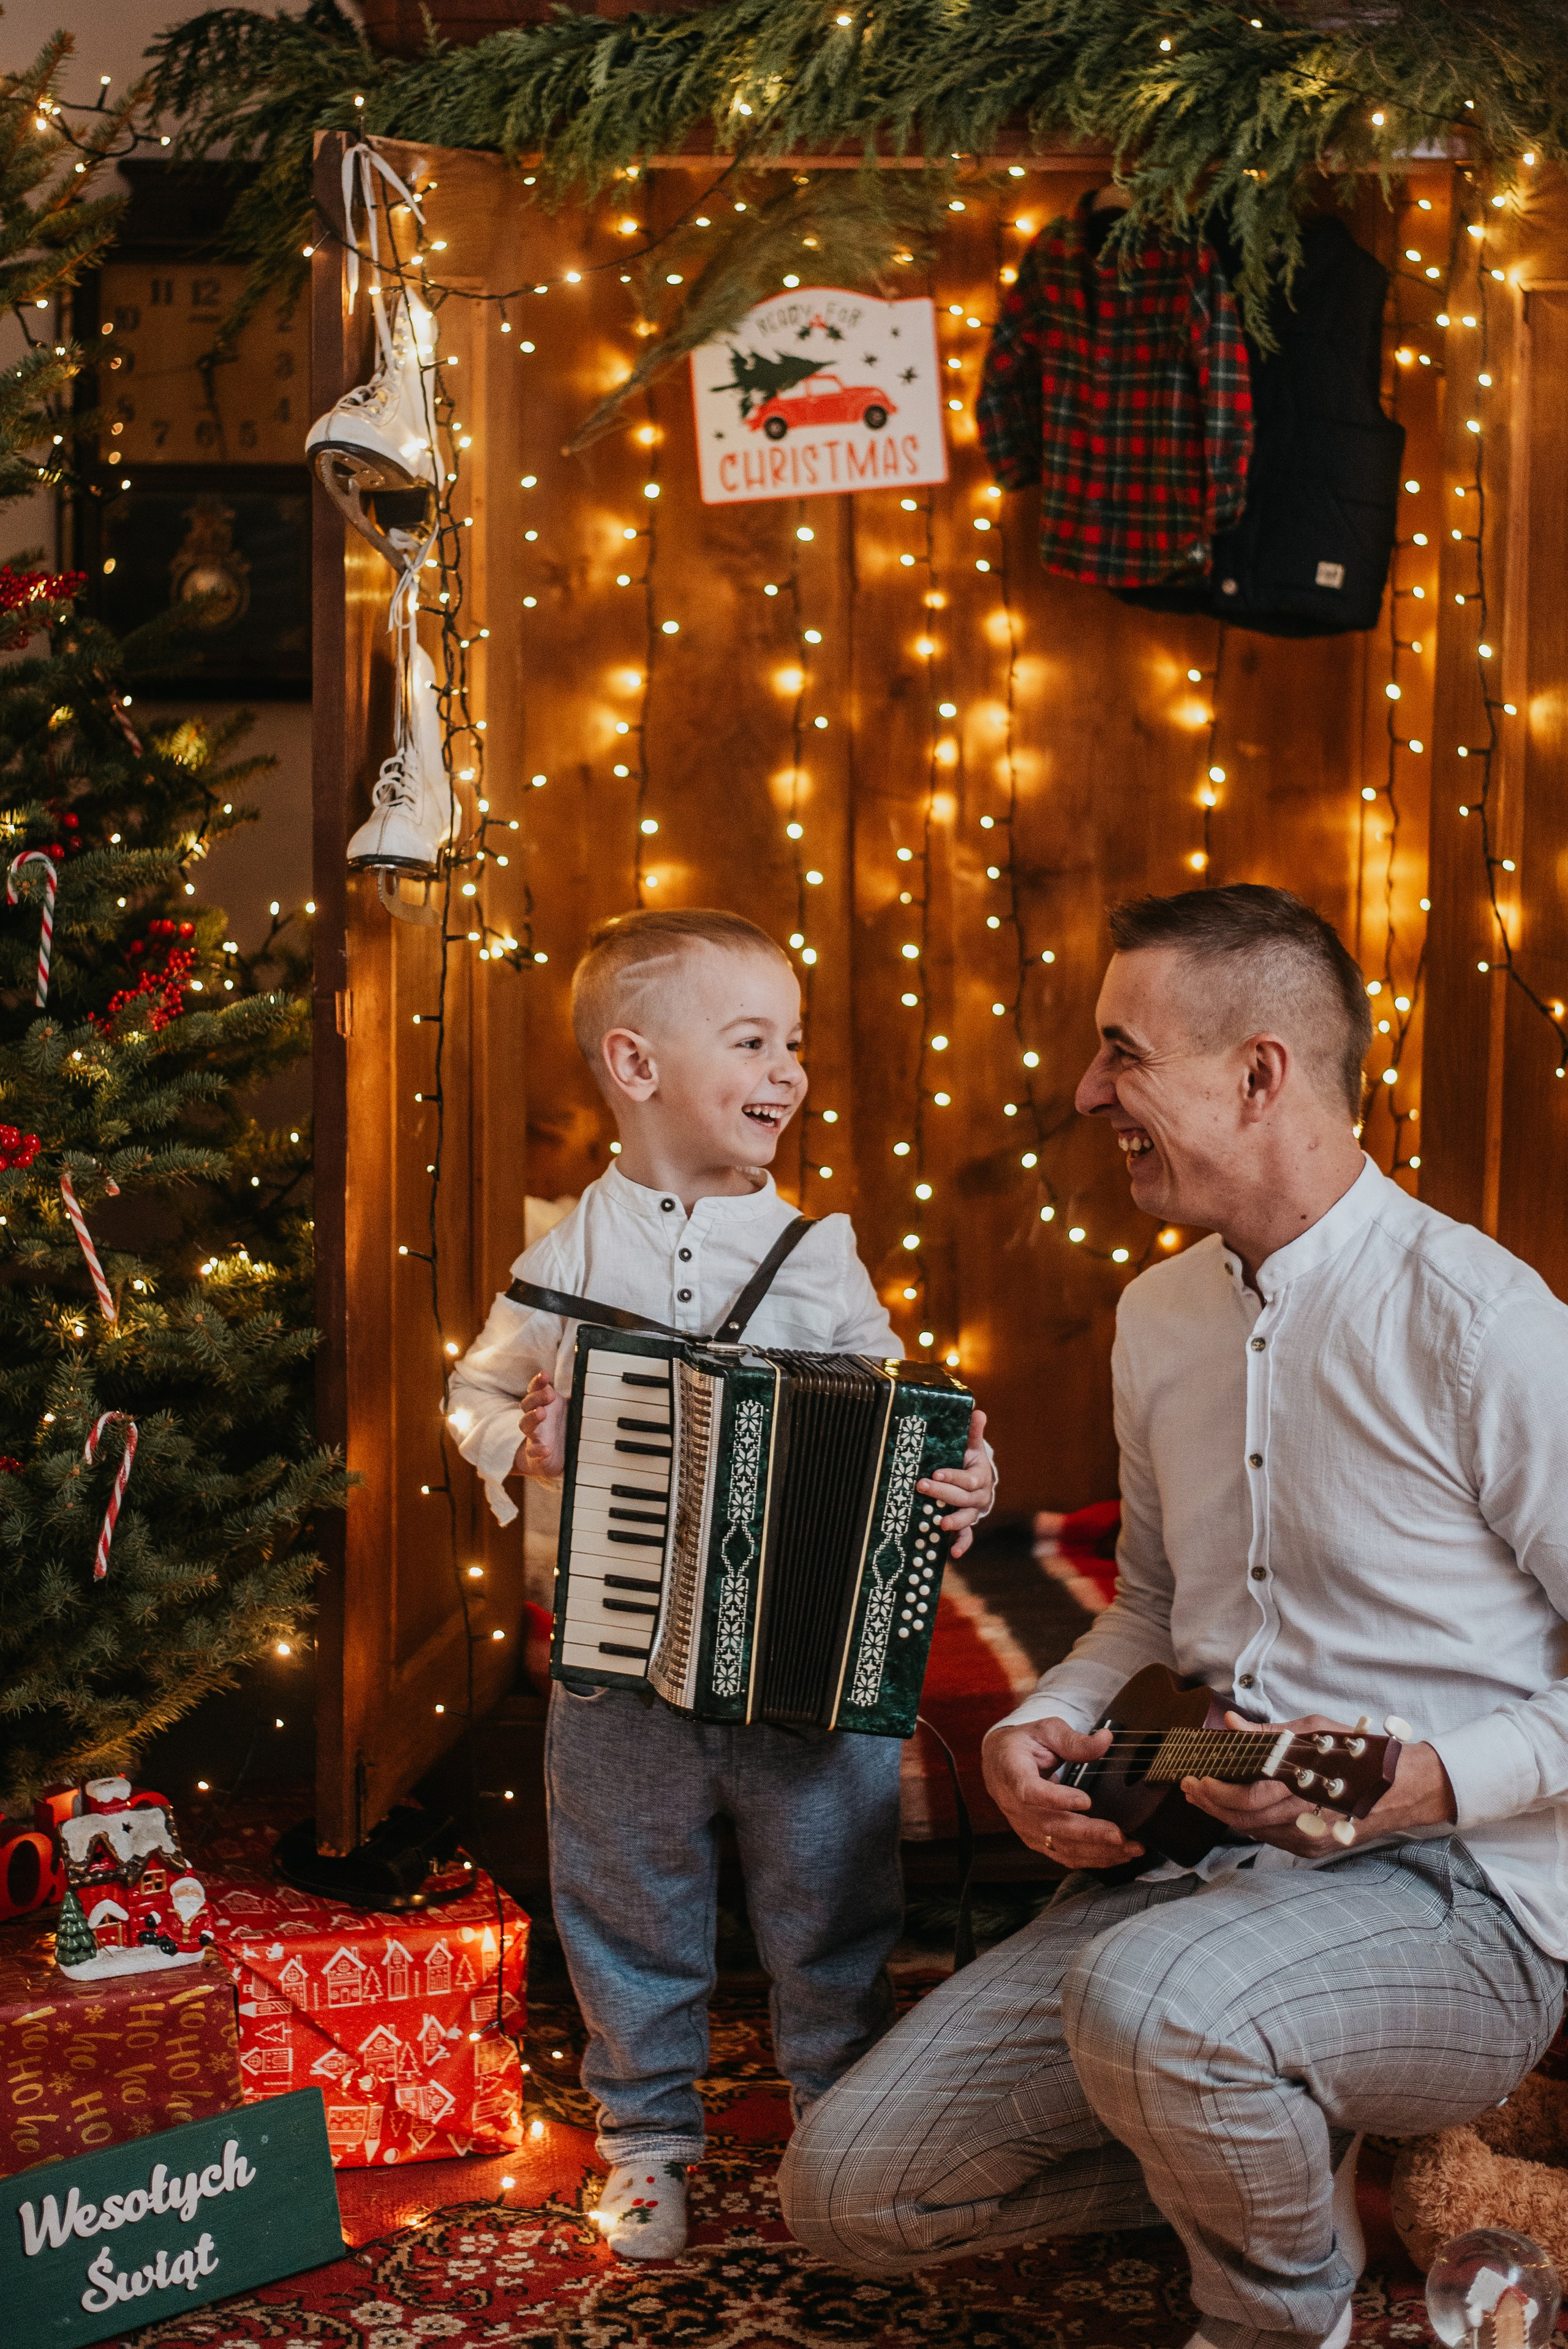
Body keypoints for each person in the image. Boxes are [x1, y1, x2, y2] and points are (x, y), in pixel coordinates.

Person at [779, 883, 1568, 2349]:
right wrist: (1041, 1724)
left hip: (1461, 1911)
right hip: (1188, 1866)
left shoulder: (1483, 1321)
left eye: (1120, 1052)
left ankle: (1280, 2316)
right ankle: (1259, 2135)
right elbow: (1147, 1611)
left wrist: (1437, 1780)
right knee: (845, 2197)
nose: (1089, 1093)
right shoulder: (1157, 1317)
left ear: (1256, 1073)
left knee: (1152, 1998)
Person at [447, 907, 996, 2259]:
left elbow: (897, 1416)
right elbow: (476, 1389)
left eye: (792, 1043)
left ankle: (838, 2117)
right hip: (622, 1660)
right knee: (626, 1895)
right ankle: (641, 2137)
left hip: (794, 1666)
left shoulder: (818, 1256)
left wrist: (960, 1480)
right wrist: (522, 1440)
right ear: (634, 1067)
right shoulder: (571, 1252)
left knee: (831, 1896)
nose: (788, 1071)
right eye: (751, 1041)